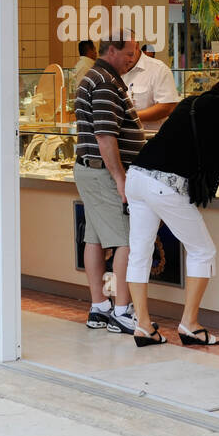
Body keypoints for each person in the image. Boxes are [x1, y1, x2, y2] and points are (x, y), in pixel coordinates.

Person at [123, 69, 219, 347]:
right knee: (203, 251)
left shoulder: (191, 102)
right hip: (165, 183)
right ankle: (190, 325)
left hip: (137, 177)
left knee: (139, 253)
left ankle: (143, 326)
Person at [72, 36, 148, 335]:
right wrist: (120, 178)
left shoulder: (98, 77)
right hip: (103, 172)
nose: (133, 59)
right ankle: (121, 310)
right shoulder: (104, 82)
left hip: (91, 170)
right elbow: (105, 136)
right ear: (111, 50)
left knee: (94, 238)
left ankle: (99, 306)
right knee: (125, 240)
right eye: (129, 54)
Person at [121, 41, 180, 123]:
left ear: (136, 47)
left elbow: (167, 107)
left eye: (127, 53)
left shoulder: (159, 69)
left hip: (150, 134)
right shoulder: (114, 68)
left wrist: (128, 117)